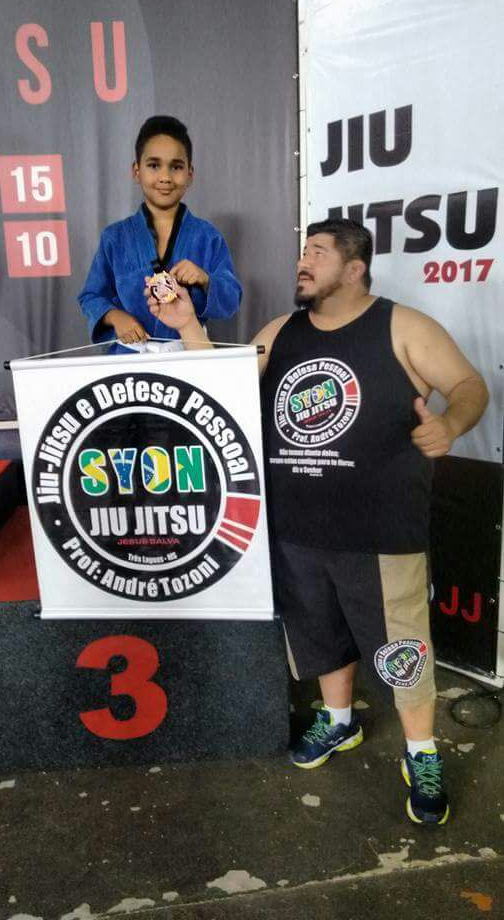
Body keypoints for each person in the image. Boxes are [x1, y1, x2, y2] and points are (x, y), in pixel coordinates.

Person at [143, 218, 489, 826]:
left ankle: (422, 752)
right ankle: (339, 721)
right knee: (318, 633)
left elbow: (468, 384)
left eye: (319, 253)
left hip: (381, 531)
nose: (303, 262)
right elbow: (222, 384)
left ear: (355, 269)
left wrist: (451, 424)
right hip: (297, 527)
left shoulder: (403, 326)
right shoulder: (281, 331)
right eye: (303, 251)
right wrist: (188, 327)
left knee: (402, 647)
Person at [78, 115, 241, 352]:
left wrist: (205, 279)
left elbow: (231, 299)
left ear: (190, 174)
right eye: (154, 165)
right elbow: (91, 296)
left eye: (176, 167)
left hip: (188, 353)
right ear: (136, 171)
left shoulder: (208, 237)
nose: (165, 177)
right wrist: (115, 317)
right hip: (129, 357)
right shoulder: (115, 238)